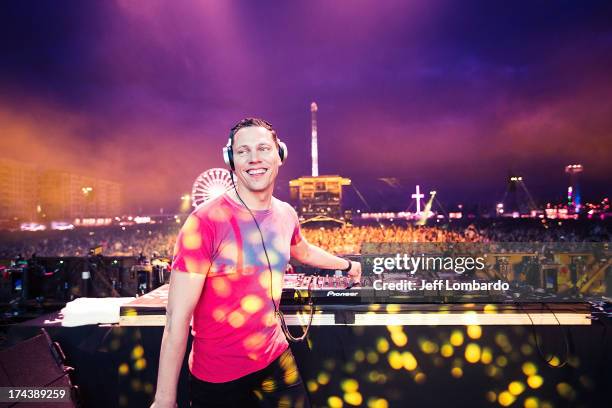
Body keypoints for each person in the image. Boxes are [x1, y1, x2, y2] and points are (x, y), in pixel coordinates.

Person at [151, 118, 362, 408]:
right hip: (217, 378)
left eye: (263, 148)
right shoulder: (204, 222)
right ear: (231, 160)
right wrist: (164, 400)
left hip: (276, 358)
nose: (254, 159)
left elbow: (303, 250)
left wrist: (347, 265)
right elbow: (176, 318)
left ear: (280, 155)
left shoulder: (286, 213)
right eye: (243, 151)